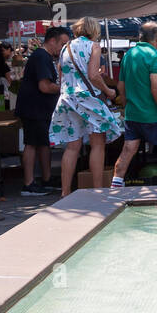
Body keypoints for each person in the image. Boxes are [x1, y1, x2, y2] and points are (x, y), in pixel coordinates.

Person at [51, 17, 124, 196]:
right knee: (97, 144)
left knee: (72, 146)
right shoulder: (94, 46)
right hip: (86, 98)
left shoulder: (64, 48)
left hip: (67, 98)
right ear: (94, 31)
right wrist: (108, 91)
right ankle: (98, 190)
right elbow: (93, 75)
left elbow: (61, 77)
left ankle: (65, 192)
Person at [111, 22, 157, 188]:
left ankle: (116, 184)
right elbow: (156, 89)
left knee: (129, 149)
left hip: (133, 113)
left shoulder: (129, 55)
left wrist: (127, 106)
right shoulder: (154, 56)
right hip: (152, 113)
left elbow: (121, 86)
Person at [16, 26, 68, 196]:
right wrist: (65, 89)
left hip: (40, 109)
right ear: (52, 41)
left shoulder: (43, 57)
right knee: (31, 144)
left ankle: (46, 179)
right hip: (34, 108)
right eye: (62, 44)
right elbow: (44, 86)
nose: (63, 49)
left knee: (44, 143)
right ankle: (28, 184)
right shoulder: (41, 56)